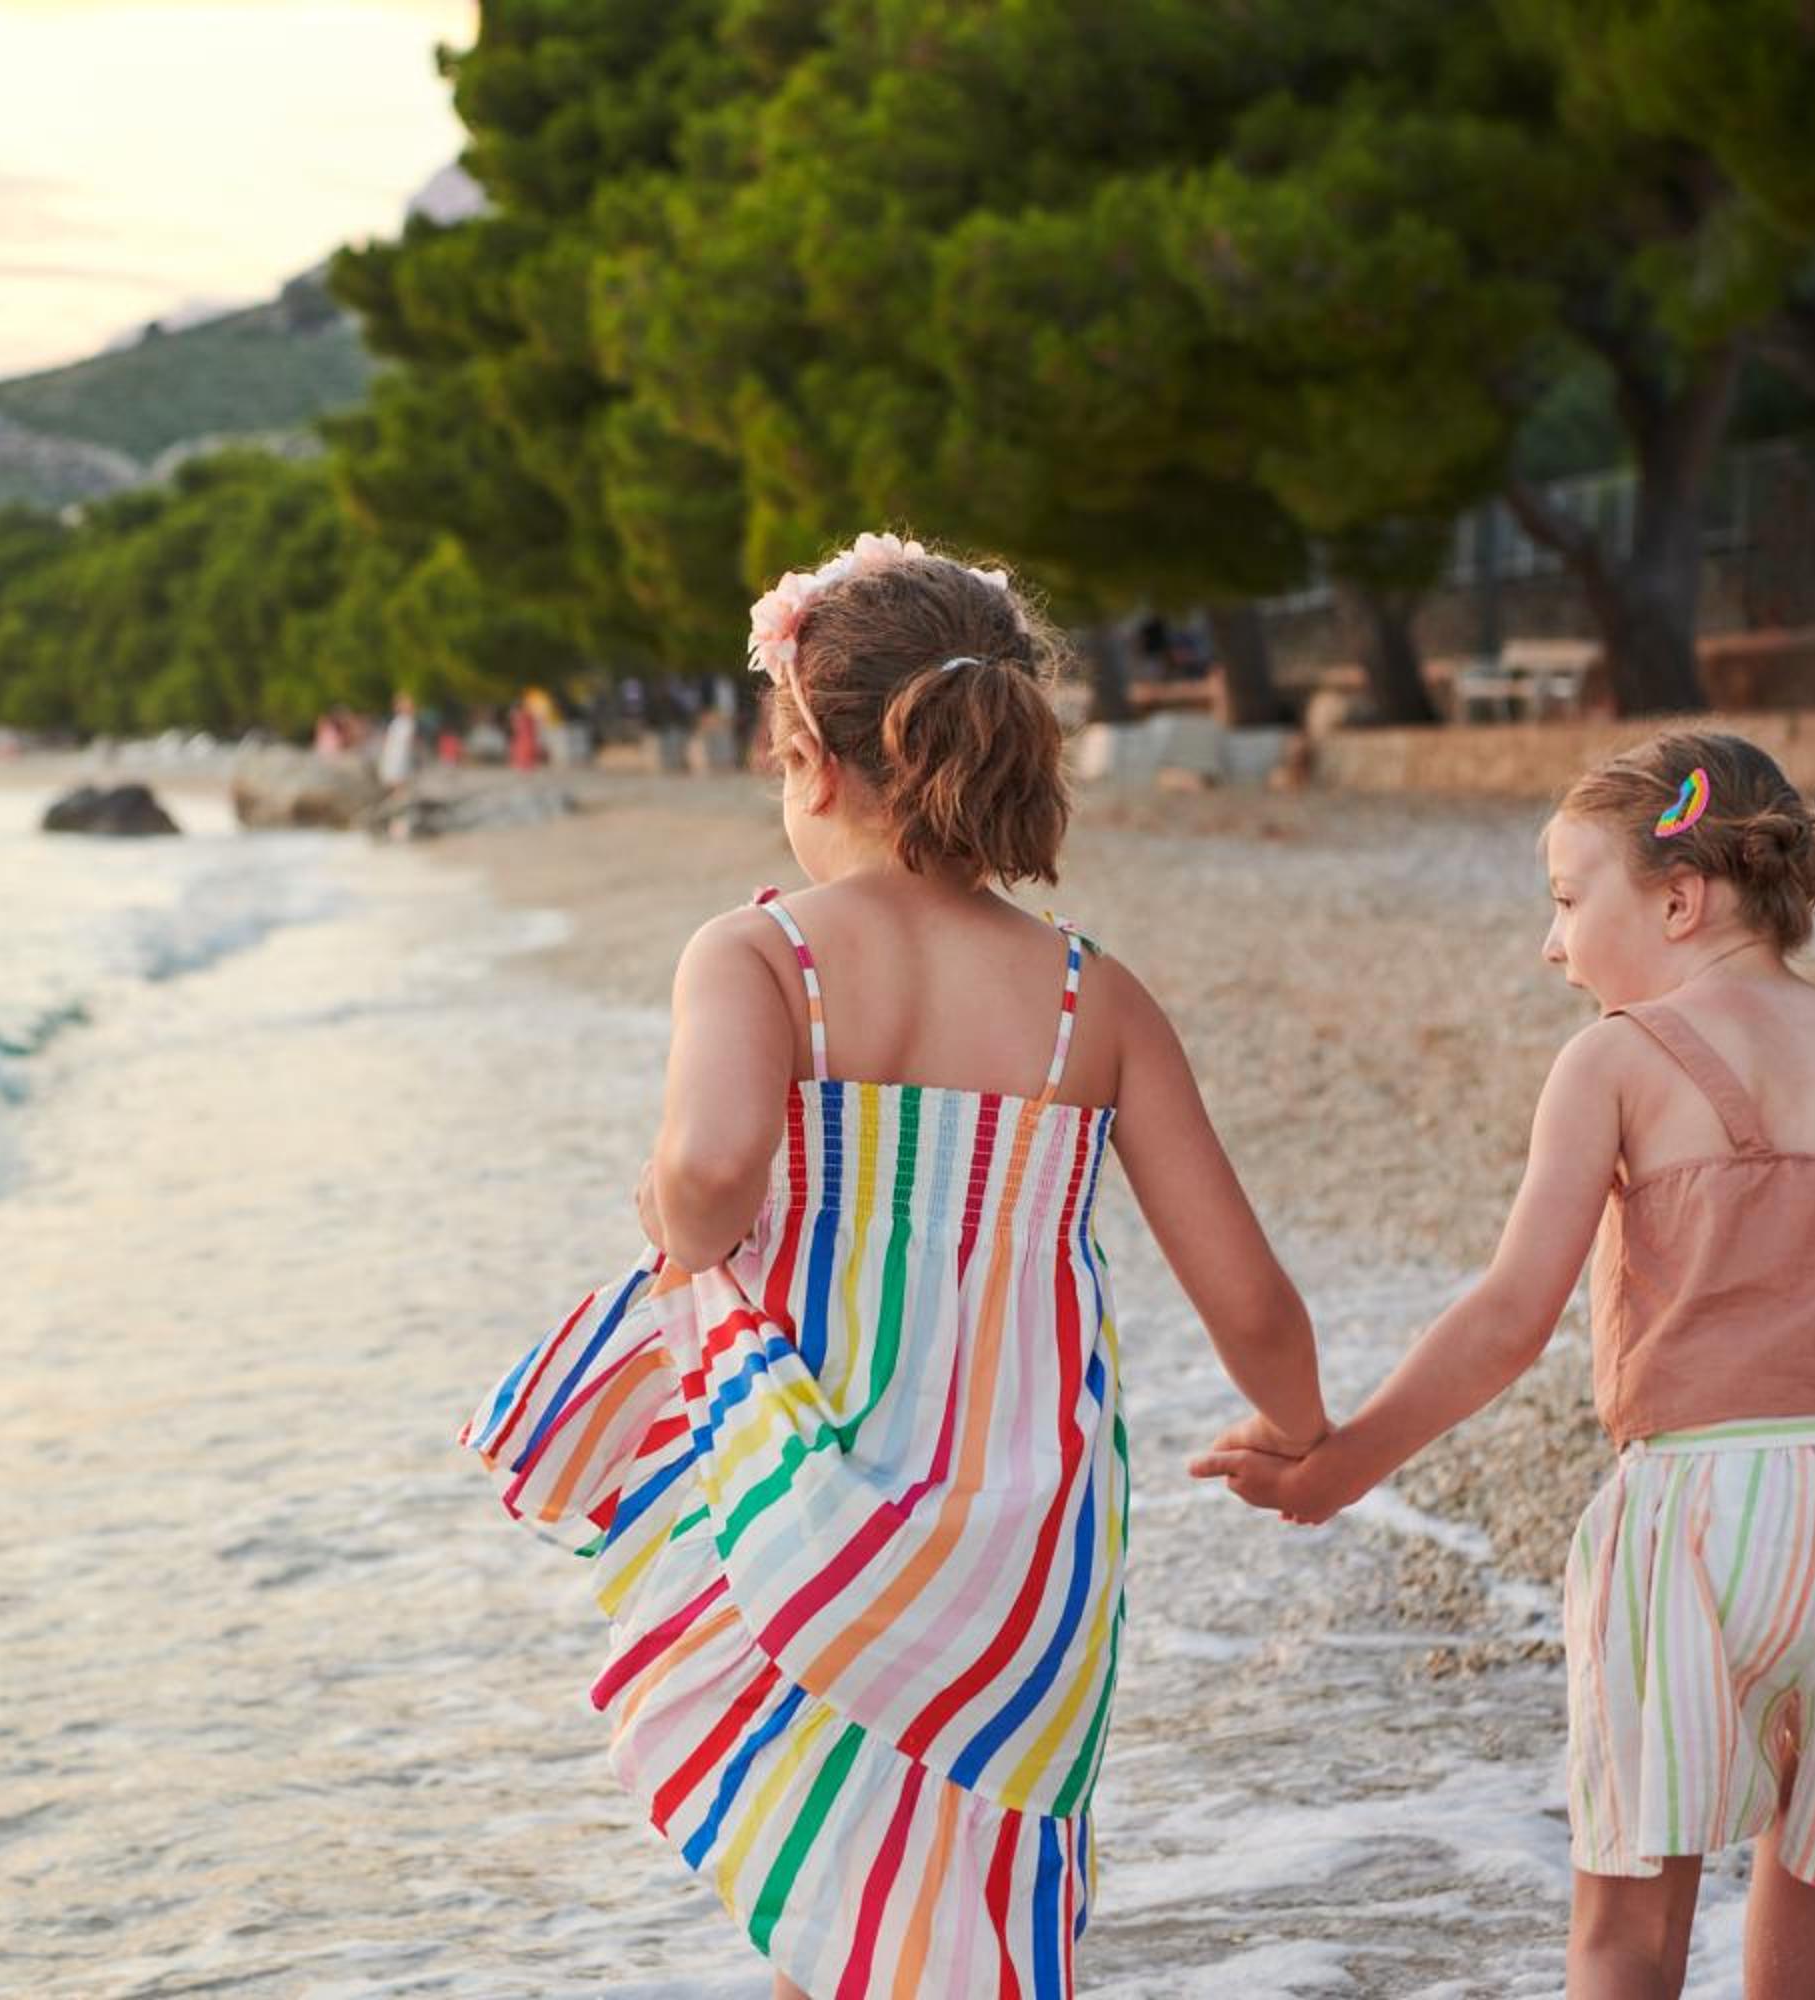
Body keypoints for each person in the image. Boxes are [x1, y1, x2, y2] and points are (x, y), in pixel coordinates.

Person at [1194, 731, 1815, 2000]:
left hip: (1714, 1513)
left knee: (1628, 1918)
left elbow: (1510, 1315)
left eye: (1568, 899)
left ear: (1679, 901)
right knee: (1811, 1853)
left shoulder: (1616, 1058)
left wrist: (1339, 1466)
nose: (1551, 943)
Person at [461, 532, 1324, 1997]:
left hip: (813, 1507)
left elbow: (712, 1174)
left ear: (809, 761)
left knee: (831, 1893)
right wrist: (1303, 1435)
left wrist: (671, 1213)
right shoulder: (1092, 998)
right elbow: (1248, 1297)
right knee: (960, 1904)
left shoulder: (761, 956)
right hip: (1026, 1551)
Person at [377, 691, 419, 790]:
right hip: (394, 749)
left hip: (400, 750)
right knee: (393, 773)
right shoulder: (399, 720)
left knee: (398, 772)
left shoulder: (408, 720)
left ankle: (399, 791)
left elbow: (408, 738)